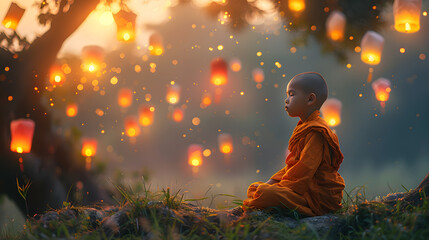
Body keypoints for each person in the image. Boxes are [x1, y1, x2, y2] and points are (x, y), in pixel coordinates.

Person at [242, 72, 345, 217]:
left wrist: (280, 187)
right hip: (303, 189)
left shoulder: (316, 132)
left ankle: (309, 210)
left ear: (310, 99)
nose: (286, 100)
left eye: (291, 94)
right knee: (255, 188)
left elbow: (305, 168)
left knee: (266, 193)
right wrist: (272, 181)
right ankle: (278, 198)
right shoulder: (305, 126)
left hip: (317, 196)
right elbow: (294, 164)